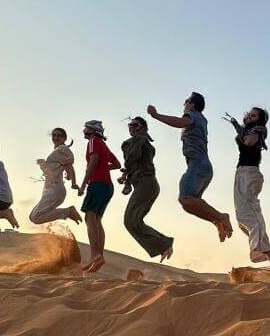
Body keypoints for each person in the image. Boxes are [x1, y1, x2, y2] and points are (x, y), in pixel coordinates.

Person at [147, 93, 233, 242]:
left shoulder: (193, 115)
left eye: (186, 101)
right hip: (202, 167)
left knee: (186, 198)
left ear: (192, 104)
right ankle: (217, 221)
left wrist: (156, 115)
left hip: (198, 165)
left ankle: (221, 217)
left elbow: (180, 122)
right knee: (189, 205)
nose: (184, 104)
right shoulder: (201, 119)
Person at [224, 107, 270, 270]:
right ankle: (268, 249)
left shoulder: (258, 130)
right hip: (242, 172)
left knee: (248, 213)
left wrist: (240, 131)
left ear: (260, 119)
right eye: (248, 113)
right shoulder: (249, 130)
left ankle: (258, 248)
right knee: (243, 219)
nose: (249, 116)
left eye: (254, 115)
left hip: (249, 173)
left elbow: (248, 142)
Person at [119, 116, 174, 262]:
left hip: (146, 184)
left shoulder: (140, 140)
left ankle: (164, 244)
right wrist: (127, 179)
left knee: (131, 220)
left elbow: (131, 158)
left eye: (135, 125)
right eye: (129, 125)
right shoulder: (137, 142)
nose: (131, 128)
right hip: (145, 185)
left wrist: (127, 171)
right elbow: (133, 163)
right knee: (132, 220)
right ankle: (164, 244)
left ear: (143, 128)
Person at [77, 120, 121, 274]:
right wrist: (104, 167)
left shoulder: (93, 141)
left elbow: (94, 160)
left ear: (92, 130)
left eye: (85, 128)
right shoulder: (103, 144)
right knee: (96, 220)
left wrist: (83, 184)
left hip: (97, 184)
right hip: (108, 186)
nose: (83, 131)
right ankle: (98, 257)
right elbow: (117, 164)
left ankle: (94, 256)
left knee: (89, 218)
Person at [29, 127, 82, 226]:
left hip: (55, 190)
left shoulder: (62, 149)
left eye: (59, 135)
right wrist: (68, 176)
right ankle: (66, 213)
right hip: (50, 189)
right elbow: (65, 168)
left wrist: (74, 183)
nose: (56, 137)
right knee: (32, 217)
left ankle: (68, 212)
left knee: (36, 217)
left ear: (65, 138)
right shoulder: (57, 151)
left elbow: (69, 166)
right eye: (54, 135)